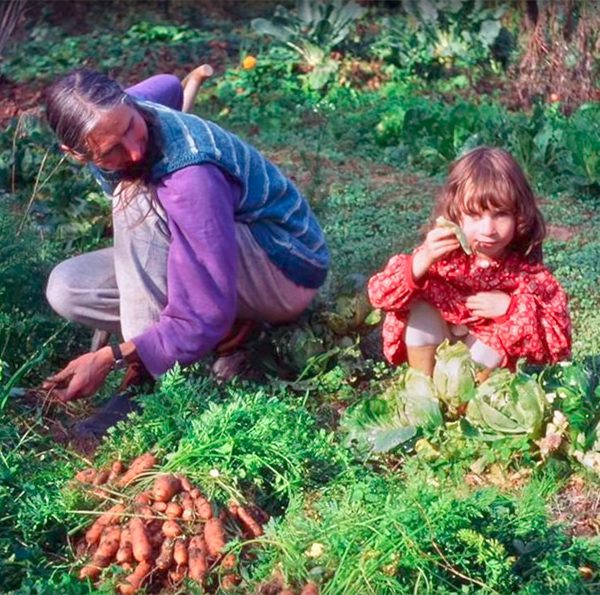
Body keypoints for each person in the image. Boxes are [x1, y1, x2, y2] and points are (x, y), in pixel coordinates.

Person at [41, 67, 329, 437]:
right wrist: (182, 84)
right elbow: (168, 84)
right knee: (68, 287)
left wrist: (110, 357)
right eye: (111, 149)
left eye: (131, 126)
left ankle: (145, 381)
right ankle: (195, 335)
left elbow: (207, 309)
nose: (133, 147)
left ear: (127, 101)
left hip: (284, 263)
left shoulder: (190, 176)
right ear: (75, 154)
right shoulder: (119, 110)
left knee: (135, 197)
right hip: (223, 247)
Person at [368, 146, 571, 377]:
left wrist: (510, 309)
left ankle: (465, 405)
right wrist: (422, 259)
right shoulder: (442, 256)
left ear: (519, 215)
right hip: (438, 347)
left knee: (494, 344)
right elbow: (379, 296)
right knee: (421, 309)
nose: (488, 229)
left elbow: (559, 341)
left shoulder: (526, 273)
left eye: (501, 214)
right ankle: (423, 393)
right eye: (474, 215)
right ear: (456, 214)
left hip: (482, 371)